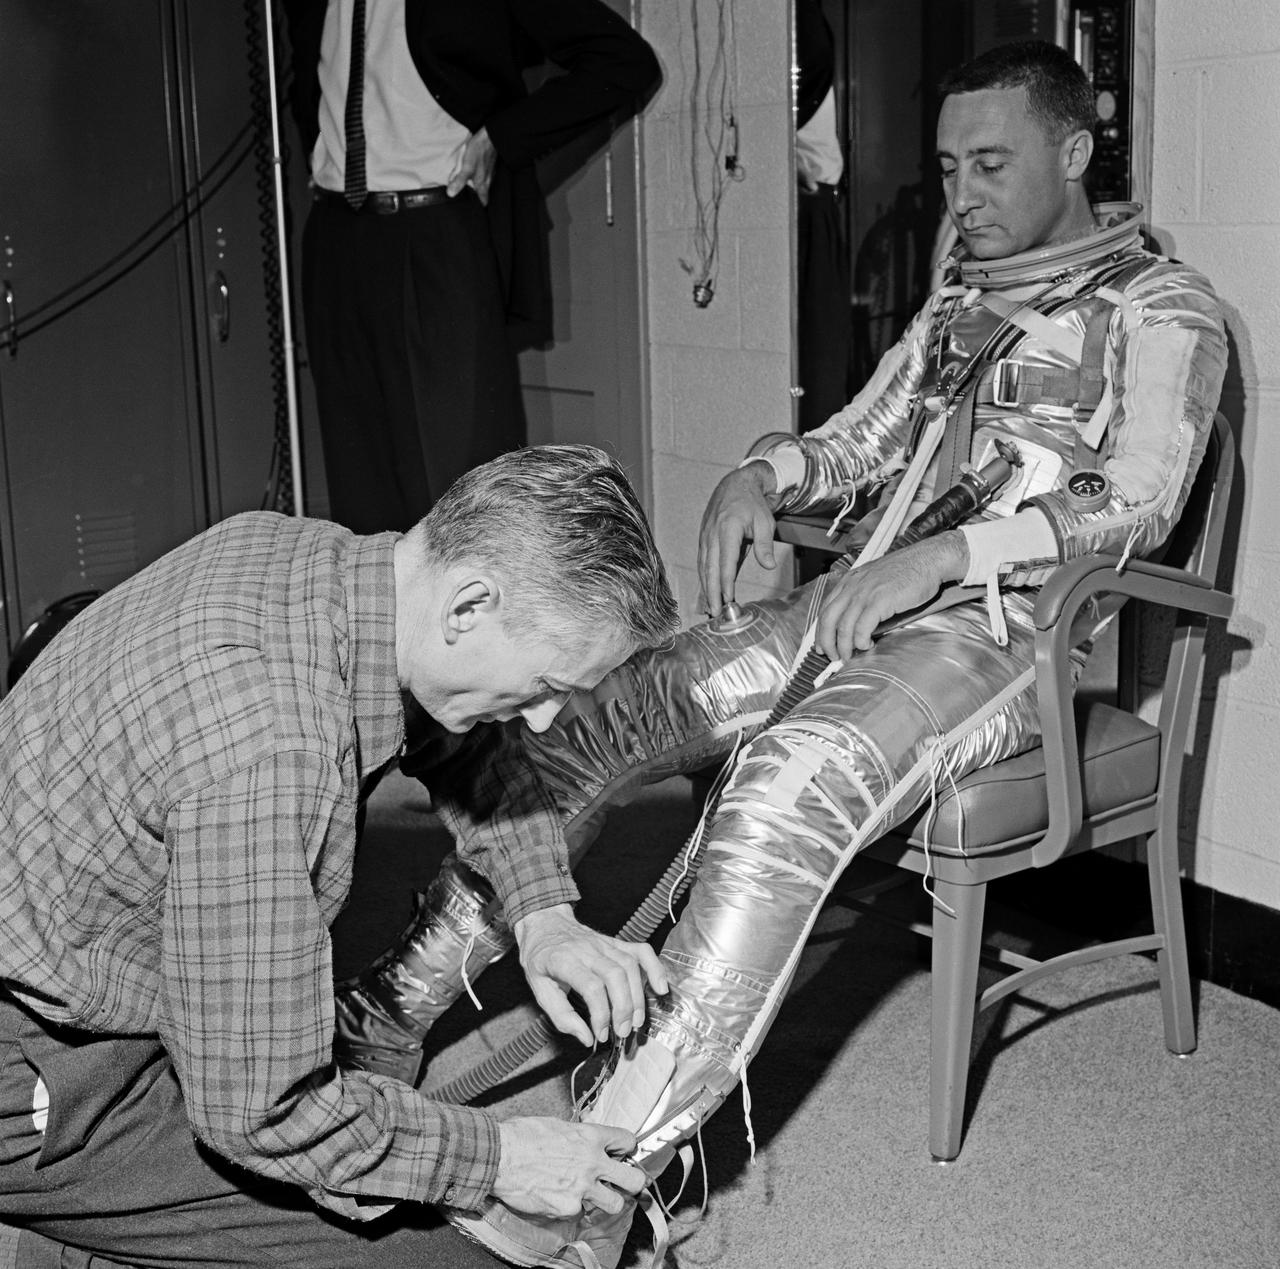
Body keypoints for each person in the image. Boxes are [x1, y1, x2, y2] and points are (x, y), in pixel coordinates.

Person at [330, 40, 1229, 1269]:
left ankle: (600, 1179)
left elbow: (1138, 504)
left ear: (1072, 153)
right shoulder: (960, 299)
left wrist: (950, 557)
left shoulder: (1160, 311)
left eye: (987, 164)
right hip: (856, 606)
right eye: (947, 165)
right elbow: (862, 439)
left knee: (777, 792)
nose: (957, 194)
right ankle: (388, 1010)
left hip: (1004, 641)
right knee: (596, 713)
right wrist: (767, 470)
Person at [0, 445, 679, 1267]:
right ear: (467, 606)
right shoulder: (271, 746)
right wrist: (501, 1156)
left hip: (112, 970)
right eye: (545, 686)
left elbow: (464, 744)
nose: (541, 722)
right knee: (469, 1251)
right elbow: (263, 1110)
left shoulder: (315, 564)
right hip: (42, 1062)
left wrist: (545, 916)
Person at [285, 0, 661, 535]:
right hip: (336, 238)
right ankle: (383, 619)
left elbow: (623, 60)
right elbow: (308, 84)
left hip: (434, 233)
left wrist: (500, 139)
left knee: (465, 496)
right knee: (361, 491)